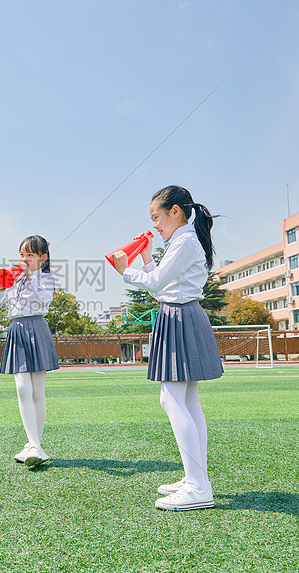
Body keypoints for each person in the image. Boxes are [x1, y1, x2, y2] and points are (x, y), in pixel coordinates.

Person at [111, 185, 223, 511]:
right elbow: (162, 284)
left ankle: (199, 486)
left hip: (180, 318)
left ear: (176, 211)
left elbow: (158, 283)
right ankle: (196, 478)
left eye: (157, 217)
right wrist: (145, 261)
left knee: (171, 399)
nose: (155, 225)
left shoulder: (185, 240)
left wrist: (125, 270)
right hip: (182, 315)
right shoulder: (184, 240)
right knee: (187, 400)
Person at [0, 235, 59, 467]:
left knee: (38, 392)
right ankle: (34, 445)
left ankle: (34, 446)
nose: (24, 259)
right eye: (22, 254)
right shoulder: (13, 278)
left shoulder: (46, 279)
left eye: (30, 255)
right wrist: (0, 287)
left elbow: (44, 301)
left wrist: (31, 276)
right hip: (17, 329)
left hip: (38, 327)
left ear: (43, 257)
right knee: (22, 388)